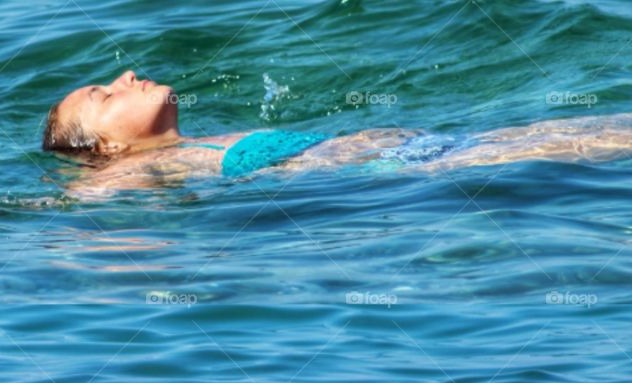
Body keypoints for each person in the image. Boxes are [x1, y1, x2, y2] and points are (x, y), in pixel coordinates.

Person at [41, 69, 632, 193]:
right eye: (104, 94)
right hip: (419, 172)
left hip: (433, 149)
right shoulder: (136, 168)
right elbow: (65, 207)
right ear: (105, 145)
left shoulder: (197, 142)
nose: (126, 75)